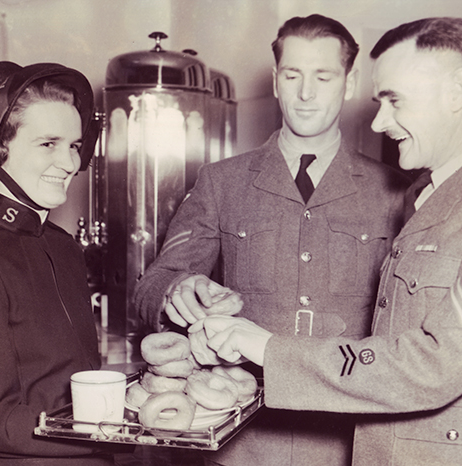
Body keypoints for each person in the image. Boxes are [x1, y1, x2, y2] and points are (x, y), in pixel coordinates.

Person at [193, 17, 462, 466]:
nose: (381, 121)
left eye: (395, 101)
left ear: (457, 91)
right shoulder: (429, 194)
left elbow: (434, 363)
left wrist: (268, 349)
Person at [134, 14, 408, 466]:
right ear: (276, 81)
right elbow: (152, 284)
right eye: (292, 75)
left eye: (323, 76)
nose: (306, 93)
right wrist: (176, 291)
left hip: (348, 441)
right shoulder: (222, 182)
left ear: (350, 81)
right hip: (245, 442)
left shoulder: (393, 192)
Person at [0, 61, 122, 465]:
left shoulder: (63, 246)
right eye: (48, 144)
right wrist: (112, 430)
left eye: (74, 145)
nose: (70, 163)